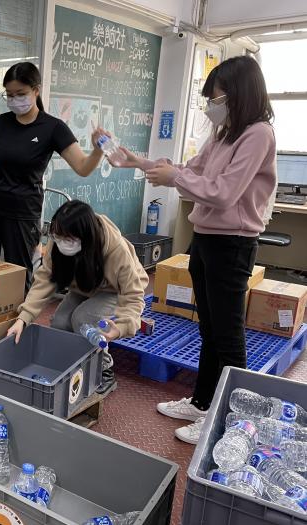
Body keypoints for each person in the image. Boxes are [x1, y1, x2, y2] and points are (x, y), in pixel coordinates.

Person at [119, 56, 277, 444]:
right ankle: (203, 401)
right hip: (205, 238)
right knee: (208, 327)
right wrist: (139, 162)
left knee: (227, 334)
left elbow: (223, 193)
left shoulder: (257, 134)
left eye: (217, 96)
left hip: (233, 243)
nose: (212, 105)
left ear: (238, 93)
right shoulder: (224, 133)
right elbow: (190, 169)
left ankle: (233, 422)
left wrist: (176, 177)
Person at [0, 62, 109, 290]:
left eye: (21, 94)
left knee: (18, 273)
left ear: (36, 90)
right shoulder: (2, 122)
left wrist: (98, 150)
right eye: (9, 94)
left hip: (23, 212)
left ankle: (20, 323)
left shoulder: (53, 128)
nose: (14, 99)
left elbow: (83, 167)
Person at [7, 200, 148, 394]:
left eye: (69, 238)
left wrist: (123, 326)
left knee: (83, 319)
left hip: (112, 290)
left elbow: (132, 295)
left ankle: (104, 370)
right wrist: (23, 319)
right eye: (58, 236)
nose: (62, 242)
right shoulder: (58, 244)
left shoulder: (115, 249)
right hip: (83, 285)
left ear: (86, 236)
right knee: (60, 322)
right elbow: (44, 280)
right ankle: (74, 366)